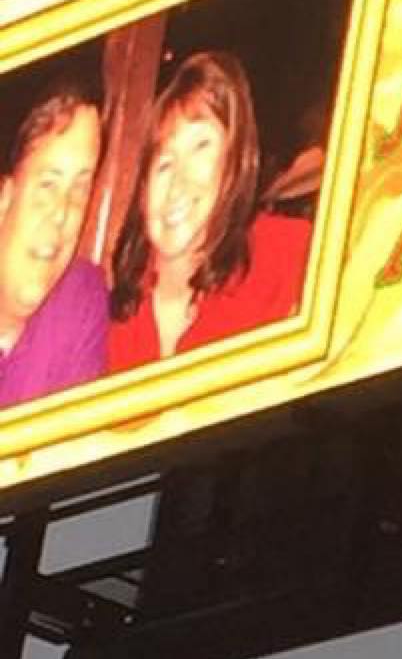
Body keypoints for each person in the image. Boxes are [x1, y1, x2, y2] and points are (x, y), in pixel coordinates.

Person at [109, 51, 311, 370]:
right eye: (164, 163)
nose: (178, 183)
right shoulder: (110, 320)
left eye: (201, 147)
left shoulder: (288, 254)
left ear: (234, 163)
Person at [0, 81, 106, 409]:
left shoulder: (80, 300)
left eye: (79, 188)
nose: (62, 213)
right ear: (4, 197)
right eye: (48, 184)